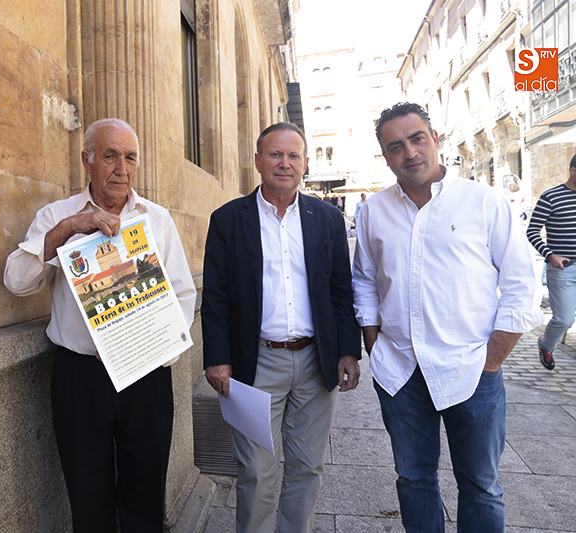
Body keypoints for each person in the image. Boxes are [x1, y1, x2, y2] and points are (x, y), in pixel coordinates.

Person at [353, 102, 542, 533]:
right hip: (400, 370)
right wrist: (373, 342)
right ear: (385, 155)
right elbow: (364, 280)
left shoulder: (484, 202)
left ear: (435, 139)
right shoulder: (373, 211)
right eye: (396, 146)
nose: (410, 153)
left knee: (481, 486)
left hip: (471, 369)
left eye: (417, 139)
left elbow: (521, 282)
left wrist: (492, 358)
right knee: (414, 480)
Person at [3, 118, 197, 532]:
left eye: (130, 158)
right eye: (110, 156)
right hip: (81, 377)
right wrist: (69, 229)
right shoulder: (57, 216)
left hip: (146, 374)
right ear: (86, 160)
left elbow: (183, 294)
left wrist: (161, 346)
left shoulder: (157, 219)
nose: (121, 169)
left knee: (146, 495)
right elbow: (16, 281)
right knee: (87, 498)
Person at [202, 122, 362, 533]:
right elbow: (216, 296)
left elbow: (341, 291)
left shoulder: (327, 219)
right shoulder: (227, 220)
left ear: (306, 164)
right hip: (255, 363)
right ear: (258, 161)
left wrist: (348, 350)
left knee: (308, 467)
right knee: (256, 470)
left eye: (293, 156)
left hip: (314, 361)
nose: (284, 163)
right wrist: (217, 359)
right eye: (275, 155)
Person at [526, 156, 576, 370]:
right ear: (573, 171)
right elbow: (532, 231)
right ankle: (546, 345)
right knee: (564, 320)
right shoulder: (551, 197)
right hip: (563, 269)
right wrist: (550, 255)